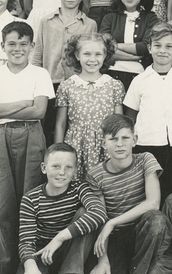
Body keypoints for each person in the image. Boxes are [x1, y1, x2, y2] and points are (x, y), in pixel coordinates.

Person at [0, 21, 55, 274]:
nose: (18, 48)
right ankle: (6, 267)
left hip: (31, 135)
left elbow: (39, 112)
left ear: (32, 46)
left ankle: (29, 265)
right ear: (2, 47)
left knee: (31, 199)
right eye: (11, 43)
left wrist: (6, 109)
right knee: (2, 203)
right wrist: (24, 103)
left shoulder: (39, 74)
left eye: (24, 44)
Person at [82, 114, 168, 274]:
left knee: (156, 219)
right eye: (113, 139)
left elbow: (153, 202)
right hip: (114, 240)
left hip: (141, 234)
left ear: (134, 140)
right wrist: (102, 260)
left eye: (125, 138)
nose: (119, 144)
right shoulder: (96, 174)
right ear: (104, 143)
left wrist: (112, 222)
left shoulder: (146, 160)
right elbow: (100, 218)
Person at [14, 143, 107, 274]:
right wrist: (30, 267)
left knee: (85, 212)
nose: (62, 172)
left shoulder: (79, 188)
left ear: (75, 170)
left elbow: (99, 213)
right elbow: (26, 241)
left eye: (68, 167)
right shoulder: (30, 199)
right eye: (56, 166)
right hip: (43, 254)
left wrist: (60, 237)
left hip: (71, 251)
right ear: (44, 168)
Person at [123, 22, 172, 200]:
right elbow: (130, 116)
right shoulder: (140, 81)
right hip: (148, 147)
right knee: (151, 194)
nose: (162, 51)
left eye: (168, 46)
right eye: (157, 45)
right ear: (149, 48)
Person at [31, 0, 97, 145]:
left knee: (71, 127)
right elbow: (38, 52)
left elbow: (92, 56)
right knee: (49, 127)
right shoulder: (46, 21)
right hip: (50, 81)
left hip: (77, 83)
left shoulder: (89, 24)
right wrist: (35, 81)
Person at [54, 34, 125, 182]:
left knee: (104, 185)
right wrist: (58, 151)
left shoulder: (114, 85)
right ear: (77, 55)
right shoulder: (67, 86)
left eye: (98, 54)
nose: (92, 59)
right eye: (87, 54)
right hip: (75, 144)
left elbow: (118, 123)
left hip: (105, 145)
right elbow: (60, 124)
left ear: (105, 56)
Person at [99, 0, 160, 92]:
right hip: (111, 74)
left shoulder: (150, 18)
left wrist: (115, 46)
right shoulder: (109, 18)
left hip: (141, 75)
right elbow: (103, 48)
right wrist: (136, 57)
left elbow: (145, 47)